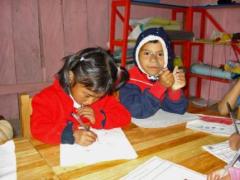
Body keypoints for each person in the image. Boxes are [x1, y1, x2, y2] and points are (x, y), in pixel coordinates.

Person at [31, 47, 131, 145]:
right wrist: (72, 135)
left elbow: (125, 116)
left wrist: (99, 117)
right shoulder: (47, 99)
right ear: (71, 77)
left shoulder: (101, 96)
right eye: (87, 95)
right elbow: (38, 128)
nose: (91, 102)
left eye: (98, 97)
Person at [119, 27, 188, 119]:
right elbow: (137, 111)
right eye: (147, 53)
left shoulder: (165, 76)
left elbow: (178, 110)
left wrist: (174, 90)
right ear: (137, 56)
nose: (153, 59)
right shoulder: (128, 79)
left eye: (160, 54)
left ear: (167, 57)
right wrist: (160, 86)